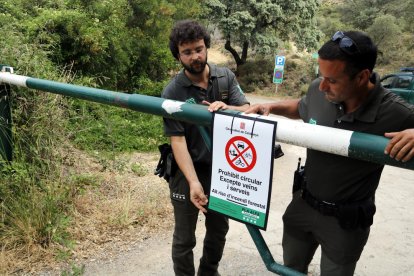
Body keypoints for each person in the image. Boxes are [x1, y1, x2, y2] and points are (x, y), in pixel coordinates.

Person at [245, 31, 414, 275]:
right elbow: (302, 107)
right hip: (302, 205)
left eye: (332, 80)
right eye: (321, 77)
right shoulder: (319, 89)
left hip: (345, 222)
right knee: (289, 269)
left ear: (362, 77)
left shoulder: (395, 111)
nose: (322, 86)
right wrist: (270, 106)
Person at [162, 20, 250, 276]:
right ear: (178, 55)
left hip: (223, 170)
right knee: (184, 237)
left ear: (206, 46)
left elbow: (247, 110)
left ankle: (208, 272)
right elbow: (177, 141)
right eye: (187, 52)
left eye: (199, 49)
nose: (195, 56)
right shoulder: (173, 92)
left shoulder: (225, 77)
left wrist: (229, 108)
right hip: (186, 170)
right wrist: (193, 183)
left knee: (219, 230)